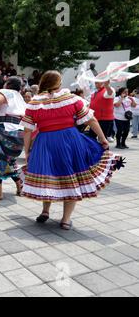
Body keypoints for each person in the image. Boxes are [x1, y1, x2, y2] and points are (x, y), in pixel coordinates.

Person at [20, 71, 122, 230]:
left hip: (45, 141)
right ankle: (65, 219)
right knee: (72, 175)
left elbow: (27, 131)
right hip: (69, 140)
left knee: (49, 175)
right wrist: (102, 138)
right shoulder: (72, 99)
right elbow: (91, 119)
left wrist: (27, 151)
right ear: (59, 83)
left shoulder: (33, 103)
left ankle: (45, 211)